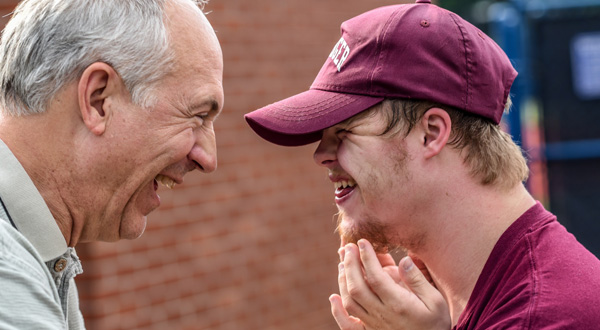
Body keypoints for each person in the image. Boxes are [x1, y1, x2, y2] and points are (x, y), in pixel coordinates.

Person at [245, 0, 600, 329]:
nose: (320, 154)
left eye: (344, 131)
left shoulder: (546, 315)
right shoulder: (457, 298)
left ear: (431, 134)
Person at [0, 0, 223, 328]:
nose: (208, 159)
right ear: (98, 99)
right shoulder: (9, 274)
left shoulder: (37, 254)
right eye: (199, 116)